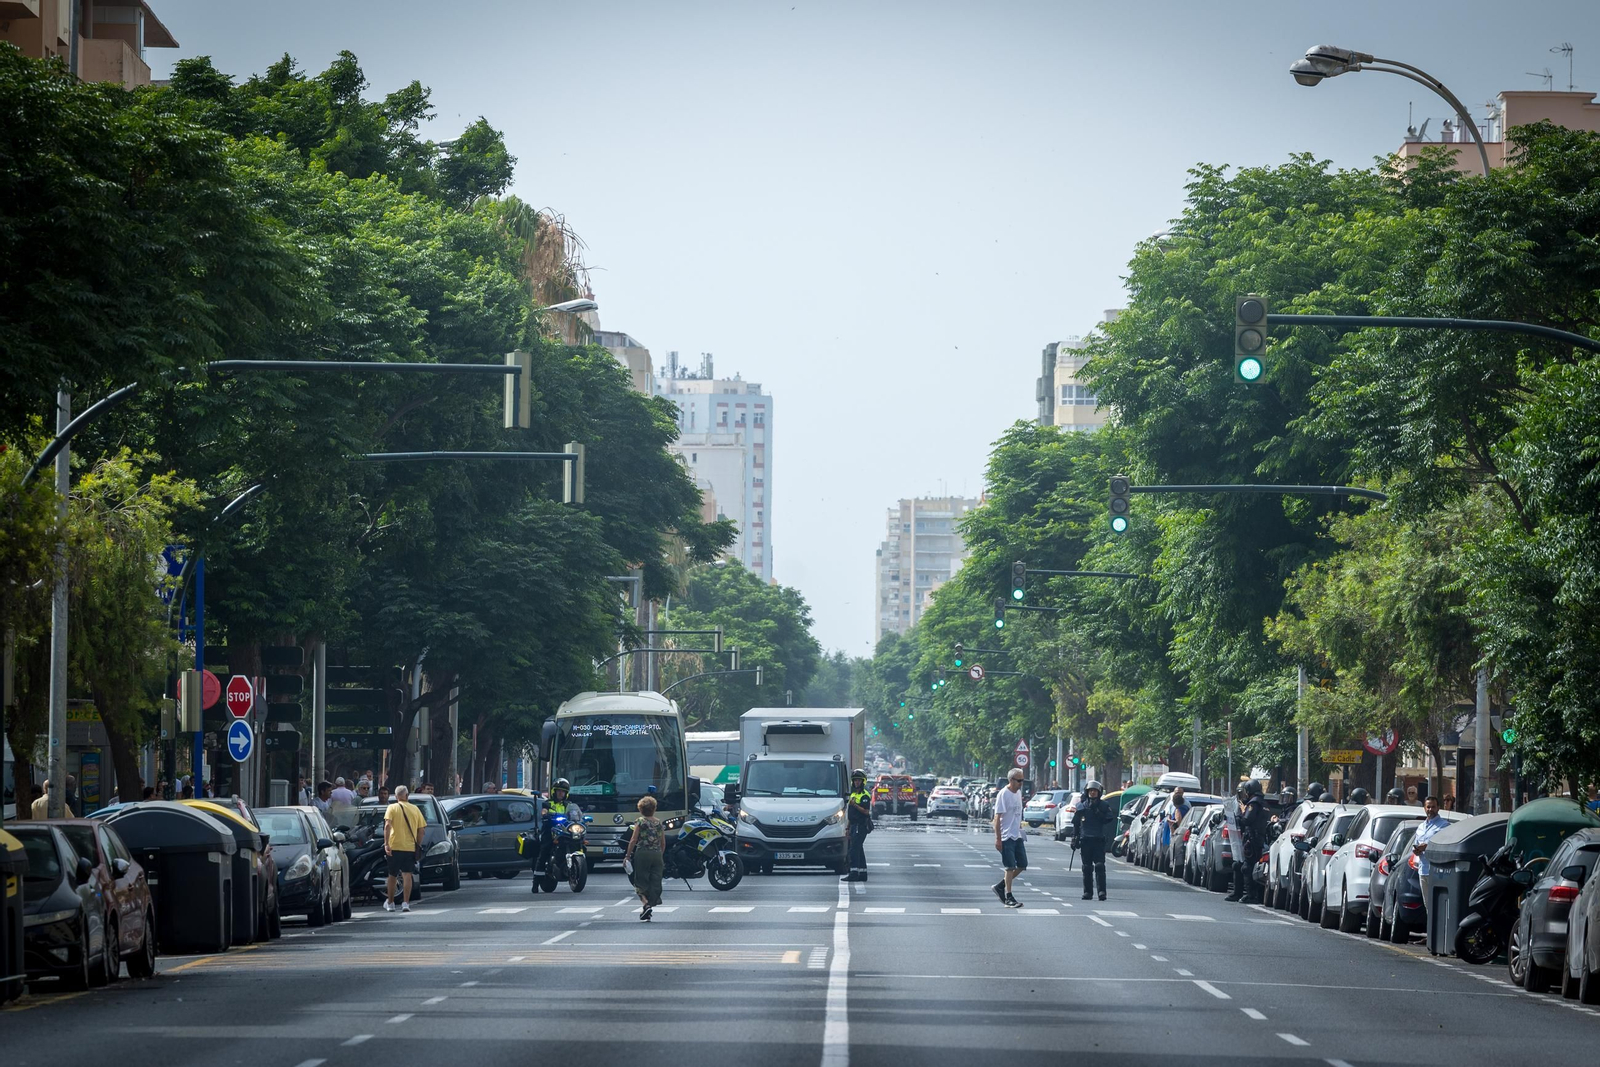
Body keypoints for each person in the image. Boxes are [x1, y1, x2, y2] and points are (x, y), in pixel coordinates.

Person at [530, 778, 584, 892]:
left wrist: (582, 818)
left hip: (565, 830)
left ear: (566, 793)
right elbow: (544, 811)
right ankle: (535, 883)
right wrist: (545, 814)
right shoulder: (548, 803)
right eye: (559, 791)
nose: (561, 793)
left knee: (580, 841)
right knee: (545, 850)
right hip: (550, 829)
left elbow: (574, 813)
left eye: (563, 791)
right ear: (554, 791)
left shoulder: (569, 804)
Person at [383, 784, 426, 913]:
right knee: (407, 875)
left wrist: (386, 843)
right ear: (407, 796)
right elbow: (422, 830)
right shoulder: (415, 809)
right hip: (409, 847)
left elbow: (387, 826)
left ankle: (390, 903)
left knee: (392, 875)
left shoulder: (391, 808)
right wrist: (417, 844)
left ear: (396, 796)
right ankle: (406, 903)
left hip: (394, 846)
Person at [1071, 780, 1115, 901]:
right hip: (1085, 840)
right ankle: (1088, 892)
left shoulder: (1104, 806)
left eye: (1095, 791)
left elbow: (1108, 819)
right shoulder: (1081, 806)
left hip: (1098, 840)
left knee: (1100, 866)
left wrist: (1098, 812)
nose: (1093, 793)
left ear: (1099, 793)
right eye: (1091, 791)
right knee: (1087, 867)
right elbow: (1076, 824)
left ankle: (1102, 892)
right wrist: (1074, 838)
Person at [625, 794, 666, 921]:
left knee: (640, 881)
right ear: (654, 808)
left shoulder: (640, 821)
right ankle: (650, 904)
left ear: (641, 809)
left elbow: (633, 840)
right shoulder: (658, 823)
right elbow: (663, 842)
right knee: (655, 880)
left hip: (642, 853)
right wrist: (660, 854)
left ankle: (645, 903)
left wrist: (627, 856)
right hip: (657, 854)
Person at [1227, 780, 1269, 904]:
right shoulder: (1262, 802)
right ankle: (1238, 893)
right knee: (1239, 865)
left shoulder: (1254, 803)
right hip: (1256, 838)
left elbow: (1247, 820)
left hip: (1252, 839)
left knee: (1247, 867)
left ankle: (1251, 896)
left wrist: (1236, 818)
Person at [1411, 794, 1452, 920]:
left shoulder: (1444, 826)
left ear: (1438, 808)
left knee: (1439, 905)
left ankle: (1438, 936)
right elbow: (1416, 846)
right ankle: (1431, 936)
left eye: (1433, 807)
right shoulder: (1420, 827)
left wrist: (1427, 846)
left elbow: (1445, 845)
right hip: (1423, 870)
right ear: (1424, 808)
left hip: (1437, 872)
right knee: (1428, 905)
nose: (1430, 810)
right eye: (1428, 807)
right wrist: (1417, 850)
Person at [991, 768, 1027, 908]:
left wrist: (1020, 828)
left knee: (1022, 864)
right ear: (1011, 780)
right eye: (1019, 780)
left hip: (1017, 835)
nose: (1021, 783)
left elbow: (1017, 813)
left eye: (1022, 780)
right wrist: (998, 839)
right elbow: (997, 818)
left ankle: (1000, 886)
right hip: (1006, 836)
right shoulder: (1003, 794)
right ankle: (1008, 897)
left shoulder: (1018, 793)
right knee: (1010, 866)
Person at [842, 769, 873, 882]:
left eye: (859, 781)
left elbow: (866, 812)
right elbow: (851, 814)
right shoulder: (853, 794)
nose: (856, 783)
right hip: (854, 825)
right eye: (855, 781)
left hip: (861, 826)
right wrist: (847, 827)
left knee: (854, 850)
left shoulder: (865, 795)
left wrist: (855, 805)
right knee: (859, 849)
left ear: (863, 782)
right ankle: (863, 874)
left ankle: (854, 873)